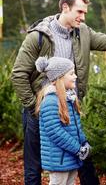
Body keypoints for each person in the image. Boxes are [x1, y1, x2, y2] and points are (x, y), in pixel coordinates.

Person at [11, 0, 106, 185]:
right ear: (65, 8)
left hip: (70, 106)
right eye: (79, 11)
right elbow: (18, 74)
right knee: (33, 165)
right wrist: (33, 106)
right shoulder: (38, 36)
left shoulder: (83, 32)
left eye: (85, 12)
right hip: (41, 108)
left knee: (82, 155)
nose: (83, 17)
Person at [35, 56, 90, 185]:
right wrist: (78, 149)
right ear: (59, 78)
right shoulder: (50, 101)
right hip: (59, 158)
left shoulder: (69, 98)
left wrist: (84, 143)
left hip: (71, 155)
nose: (75, 76)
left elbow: (76, 127)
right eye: (71, 73)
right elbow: (55, 132)